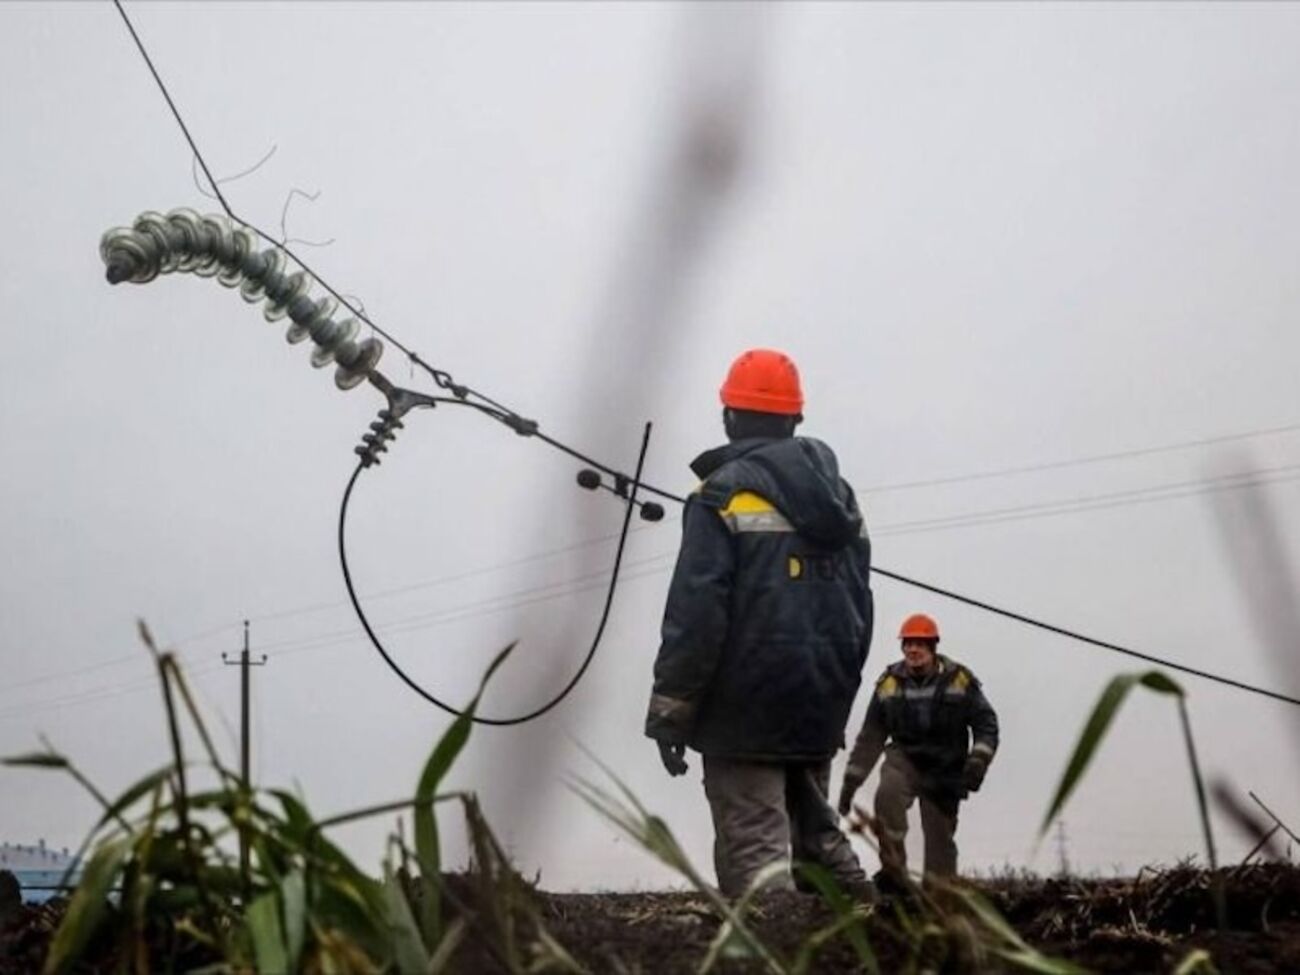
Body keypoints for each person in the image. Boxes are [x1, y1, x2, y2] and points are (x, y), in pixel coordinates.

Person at [644, 348, 874, 898]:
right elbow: (859, 610)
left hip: (742, 709)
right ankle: (884, 945)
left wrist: (671, 712)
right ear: (795, 419)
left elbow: (696, 616)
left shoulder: (717, 496)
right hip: (819, 699)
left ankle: (772, 955)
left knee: (758, 860)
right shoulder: (841, 500)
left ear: (729, 417)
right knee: (821, 842)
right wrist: (836, 693)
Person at [837, 613, 999, 883]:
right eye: (908, 644)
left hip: (945, 767)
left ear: (933, 647)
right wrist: (850, 785)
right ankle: (894, 877)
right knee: (887, 797)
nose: (913, 650)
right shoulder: (888, 685)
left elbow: (986, 725)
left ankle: (938, 897)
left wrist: (978, 761)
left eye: (920, 644)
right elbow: (870, 739)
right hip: (904, 760)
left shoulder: (959, 680)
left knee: (939, 842)